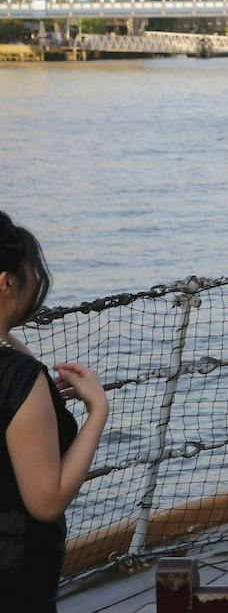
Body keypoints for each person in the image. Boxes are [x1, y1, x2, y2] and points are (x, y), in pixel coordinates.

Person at [1, 213, 110, 612]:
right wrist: (97, 410)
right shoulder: (18, 377)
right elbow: (45, 502)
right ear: (6, 282)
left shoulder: (21, 374)